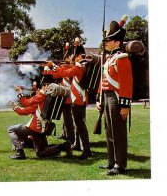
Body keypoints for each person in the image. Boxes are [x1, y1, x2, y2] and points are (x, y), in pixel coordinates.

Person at [96, 20, 133, 175]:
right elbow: (102, 80)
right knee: (109, 131)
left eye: (108, 40)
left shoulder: (121, 58)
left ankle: (120, 165)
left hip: (117, 98)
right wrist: (99, 99)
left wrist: (125, 106)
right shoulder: (109, 59)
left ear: (117, 42)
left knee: (118, 132)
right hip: (107, 97)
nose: (105, 43)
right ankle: (111, 162)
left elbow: (126, 83)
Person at [43, 45, 92, 159]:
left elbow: (63, 73)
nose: (72, 58)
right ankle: (81, 146)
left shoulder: (79, 67)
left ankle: (87, 150)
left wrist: (52, 65)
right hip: (78, 100)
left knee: (80, 126)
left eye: (74, 56)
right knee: (79, 125)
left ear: (79, 56)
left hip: (78, 100)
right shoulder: (81, 65)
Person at [8, 74, 73, 160]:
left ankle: (20, 152)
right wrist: (15, 107)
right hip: (44, 127)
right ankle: (63, 146)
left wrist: (20, 93)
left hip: (35, 127)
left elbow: (26, 103)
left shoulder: (41, 95)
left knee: (11, 129)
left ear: (45, 85)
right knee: (40, 153)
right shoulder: (49, 95)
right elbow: (26, 110)